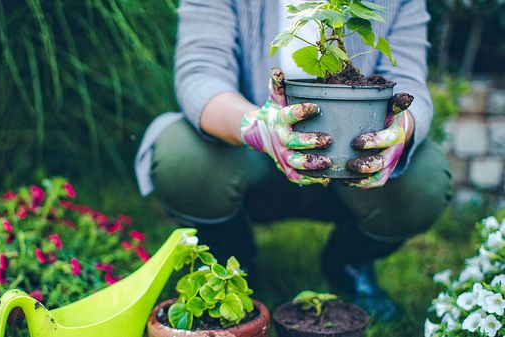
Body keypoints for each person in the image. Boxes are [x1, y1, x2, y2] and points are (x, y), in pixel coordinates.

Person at [135, 0, 452, 320]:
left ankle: (349, 259)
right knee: (182, 159)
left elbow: (407, 78)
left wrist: (400, 129)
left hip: (353, 155)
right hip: (246, 152)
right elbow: (200, 73)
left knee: (424, 180)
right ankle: (231, 253)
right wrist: (257, 126)